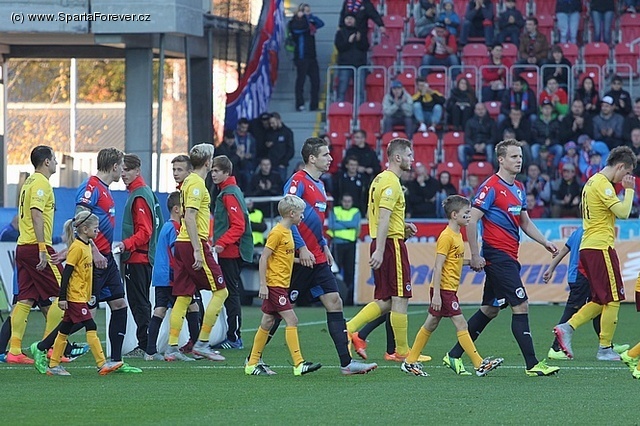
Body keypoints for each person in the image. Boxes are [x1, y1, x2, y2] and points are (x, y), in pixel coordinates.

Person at [443, 139, 561, 377]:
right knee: (521, 304)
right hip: (497, 255)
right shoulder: (491, 187)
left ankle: (453, 355)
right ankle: (532, 364)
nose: (519, 160)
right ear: (501, 159)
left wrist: (544, 242)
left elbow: (524, 222)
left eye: (520, 156)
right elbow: (472, 220)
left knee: (490, 309)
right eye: (514, 157)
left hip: (509, 255)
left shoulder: (518, 187)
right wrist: (475, 254)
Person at [268, 137, 377, 375]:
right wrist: (302, 247)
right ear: (312, 158)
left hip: (316, 255)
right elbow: (287, 216)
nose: (330, 158)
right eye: (326, 155)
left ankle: (347, 364)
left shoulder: (320, 184)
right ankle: (253, 360)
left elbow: (316, 222)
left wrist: (323, 245)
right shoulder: (297, 181)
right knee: (277, 311)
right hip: (299, 258)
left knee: (334, 301)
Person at [401, 195, 504, 377]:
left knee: (431, 323)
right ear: (454, 215)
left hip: (448, 288)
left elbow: (453, 261)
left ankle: (410, 362)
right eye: (466, 213)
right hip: (444, 289)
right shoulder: (446, 236)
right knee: (461, 324)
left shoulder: (457, 235)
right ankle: (479, 364)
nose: (469, 216)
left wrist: (471, 262)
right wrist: (436, 295)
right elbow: (438, 266)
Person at [554, 146, 637, 361]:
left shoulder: (592, 182)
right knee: (614, 299)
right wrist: (630, 190)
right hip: (600, 247)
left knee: (601, 299)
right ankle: (605, 349)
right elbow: (624, 213)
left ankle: (567, 328)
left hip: (590, 247)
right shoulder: (602, 184)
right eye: (626, 173)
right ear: (620, 166)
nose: (625, 178)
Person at [347, 138, 417, 361]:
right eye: (409, 155)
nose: (412, 159)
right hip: (390, 244)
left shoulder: (379, 179)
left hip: (385, 241)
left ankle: (350, 329)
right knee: (400, 297)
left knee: (387, 300)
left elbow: (382, 215)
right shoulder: (391, 182)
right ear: (397, 157)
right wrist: (380, 249)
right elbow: (384, 217)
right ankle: (403, 352)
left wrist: (402, 226)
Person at [32, 211, 123, 376]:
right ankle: (102, 364)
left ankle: (53, 364)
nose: (98, 231)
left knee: (64, 330)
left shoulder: (86, 246)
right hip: (74, 296)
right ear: (85, 229)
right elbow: (67, 273)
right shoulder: (76, 248)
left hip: (81, 295)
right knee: (91, 325)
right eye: (95, 228)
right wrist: (63, 297)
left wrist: (90, 293)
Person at [75, 147, 141, 373]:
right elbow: (78, 221)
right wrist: (93, 251)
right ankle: (46, 347)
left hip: (107, 258)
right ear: (114, 166)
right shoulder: (91, 187)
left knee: (120, 304)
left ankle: (115, 360)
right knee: (83, 314)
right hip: (94, 260)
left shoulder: (105, 189)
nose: (122, 170)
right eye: (121, 166)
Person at [164, 143, 229, 362]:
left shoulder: (190, 182)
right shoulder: (196, 184)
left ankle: (172, 347)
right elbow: (190, 217)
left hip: (185, 242)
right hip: (192, 242)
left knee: (183, 295)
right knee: (221, 292)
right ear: (208, 162)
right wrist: (198, 250)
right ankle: (202, 343)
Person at [245, 195, 322, 376]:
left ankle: (252, 364)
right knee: (292, 320)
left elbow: (282, 257)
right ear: (292, 213)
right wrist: (263, 285)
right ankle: (299, 364)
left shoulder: (288, 232)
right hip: (275, 284)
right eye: (301, 213)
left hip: (281, 284)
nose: (302, 216)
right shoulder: (277, 232)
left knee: (267, 321)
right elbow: (264, 257)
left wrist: (300, 261)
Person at [7, 146, 63, 365]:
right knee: (64, 293)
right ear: (47, 162)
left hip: (23, 245)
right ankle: (48, 347)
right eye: (54, 159)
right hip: (35, 246)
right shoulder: (41, 183)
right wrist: (42, 248)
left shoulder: (29, 182)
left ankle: (14, 350)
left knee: (25, 299)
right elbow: (36, 214)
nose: (56, 162)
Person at [542, 226, 630, 360]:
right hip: (582, 276)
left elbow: (563, 251)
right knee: (572, 310)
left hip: (580, 276)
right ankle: (556, 348)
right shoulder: (592, 233)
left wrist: (551, 268)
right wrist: (550, 269)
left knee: (600, 307)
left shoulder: (577, 232)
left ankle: (607, 345)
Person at [114, 154, 163, 358]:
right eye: (121, 169)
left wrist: (125, 244)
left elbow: (145, 232)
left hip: (138, 258)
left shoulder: (139, 195)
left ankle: (145, 345)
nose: (123, 173)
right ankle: (147, 344)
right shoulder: (143, 192)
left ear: (137, 171)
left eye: (127, 169)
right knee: (141, 302)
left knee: (139, 303)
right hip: (144, 257)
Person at [143, 191, 200, 361]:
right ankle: (197, 348)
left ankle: (150, 351)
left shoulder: (166, 227)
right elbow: (177, 253)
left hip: (161, 276)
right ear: (177, 209)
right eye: (184, 206)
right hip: (171, 276)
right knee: (192, 307)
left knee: (160, 309)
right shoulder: (175, 228)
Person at [210, 155, 254, 350]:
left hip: (230, 252)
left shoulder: (229, 193)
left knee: (231, 293)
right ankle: (231, 335)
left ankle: (234, 337)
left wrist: (221, 243)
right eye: (212, 171)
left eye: (217, 171)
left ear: (227, 172)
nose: (213, 174)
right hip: (231, 250)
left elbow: (238, 226)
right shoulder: (230, 191)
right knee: (229, 292)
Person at [289, 3, 324, 112]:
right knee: (301, 81)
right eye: (305, 11)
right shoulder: (294, 22)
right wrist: (303, 19)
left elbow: (321, 23)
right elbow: (298, 30)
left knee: (316, 81)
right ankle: (299, 104)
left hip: (312, 56)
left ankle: (314, 105)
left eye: (309, 11)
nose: (307, 13)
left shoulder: (311, 22)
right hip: (301, 57)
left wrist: (311, 17)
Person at [327, 193, 361, 306]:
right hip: (337, 244)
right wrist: (348, 225)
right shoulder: (335, 210)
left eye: (349, 201)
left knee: (349, 272)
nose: (346, 203)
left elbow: (354, 224)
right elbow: (332, 226)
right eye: (345, 201)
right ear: (341, 201)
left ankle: (348, 299)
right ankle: (334, 297)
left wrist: (339, 222)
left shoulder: (355, 211)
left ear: (352, 202)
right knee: (334, 271)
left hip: (350, 245)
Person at [334, 12, 369, 104]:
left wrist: (359, 41)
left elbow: (366, 47)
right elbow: (340, 47)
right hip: (345, 65)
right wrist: (349, 42)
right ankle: (340, 109)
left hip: (359, 65)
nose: (349, 20)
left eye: (351, 18)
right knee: (342, 90)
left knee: (360, 91)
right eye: (347, 18)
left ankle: (359, 110)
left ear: (355, 20)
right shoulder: (340, 33)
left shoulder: (360, 32)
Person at [460, 103, 497, 168]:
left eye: (482, 109)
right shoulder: (470, 122)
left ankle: (490, 169)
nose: (480, 111)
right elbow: (467, 138)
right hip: (473, 146)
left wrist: (484, 144)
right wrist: (474, 145)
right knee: (461, 148)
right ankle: (464, 170)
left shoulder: (491, 122)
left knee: (489, 148)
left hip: (486, 145)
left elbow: (494, 137)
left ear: (486, 110)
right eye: (478, 109)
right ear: (475, 111)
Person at [264, 113, 295, 182]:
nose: (271, 125)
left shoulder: (287, 132)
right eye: (270, 123)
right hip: (270, 165)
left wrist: (283, 162)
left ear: (279, 120)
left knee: (281, 184)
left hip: (281, 165)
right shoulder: (269, 132)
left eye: (273, 123)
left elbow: (291, 150)